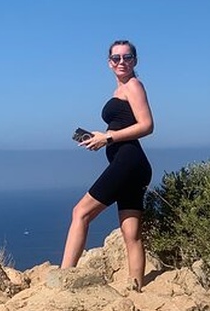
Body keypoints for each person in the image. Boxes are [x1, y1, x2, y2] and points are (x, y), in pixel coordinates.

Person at [60, 39, 154, 292]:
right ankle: (137, 289)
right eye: (116, 58)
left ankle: (64, 278)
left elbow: (147, 125)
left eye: (127, 57)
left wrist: (108, 137)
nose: (121, 62)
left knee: (80, 213)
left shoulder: (134, 86)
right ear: (109, 63)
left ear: (135, 60)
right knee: (131, 233)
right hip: (133, 164)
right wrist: (101, 135)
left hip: (128, 161)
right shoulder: (122, 90)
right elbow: (125, 124)